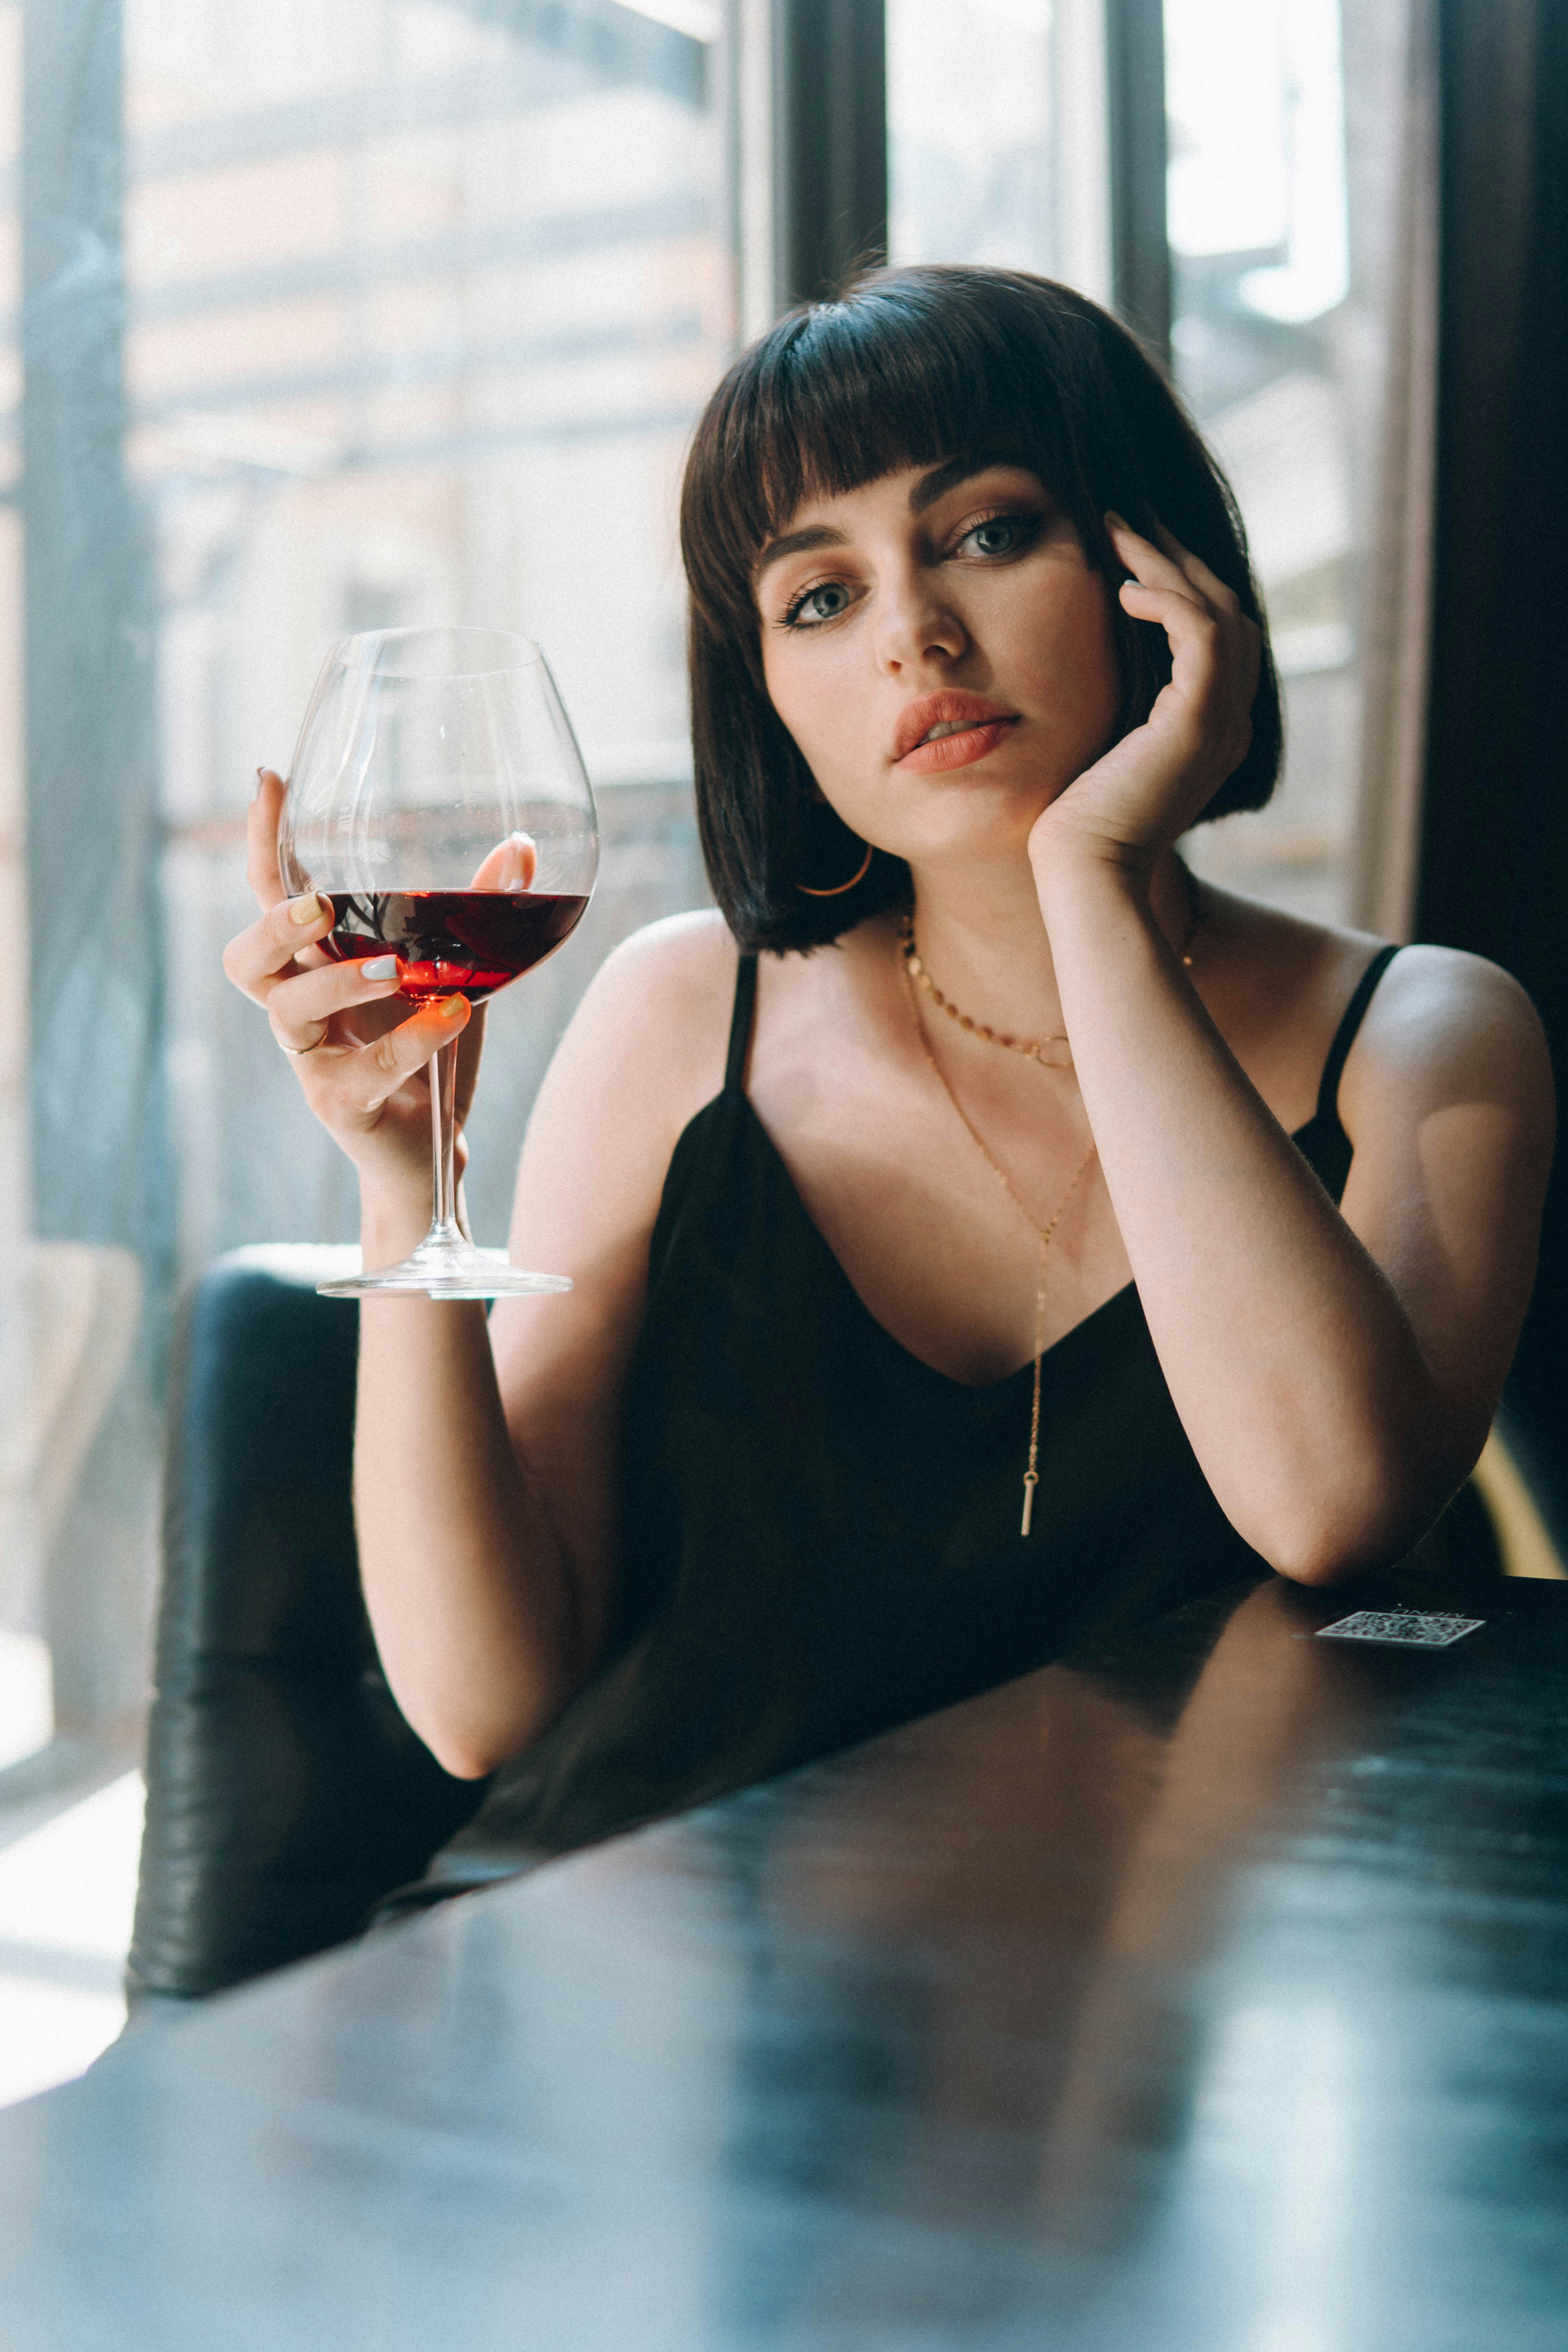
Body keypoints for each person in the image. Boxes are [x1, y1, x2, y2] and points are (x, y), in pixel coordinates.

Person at [223, 266, 1552, 1862]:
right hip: (632, 1981)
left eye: (984, 534)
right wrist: (404, 1188)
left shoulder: (1425, 1038)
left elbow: (1328, 1505)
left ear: (1160, 569)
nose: (915, 637)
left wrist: (1093, 878)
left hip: (1125, 2036)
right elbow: (474, 1707)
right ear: (768, 695)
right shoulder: (677, 1016)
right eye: (818, 598)